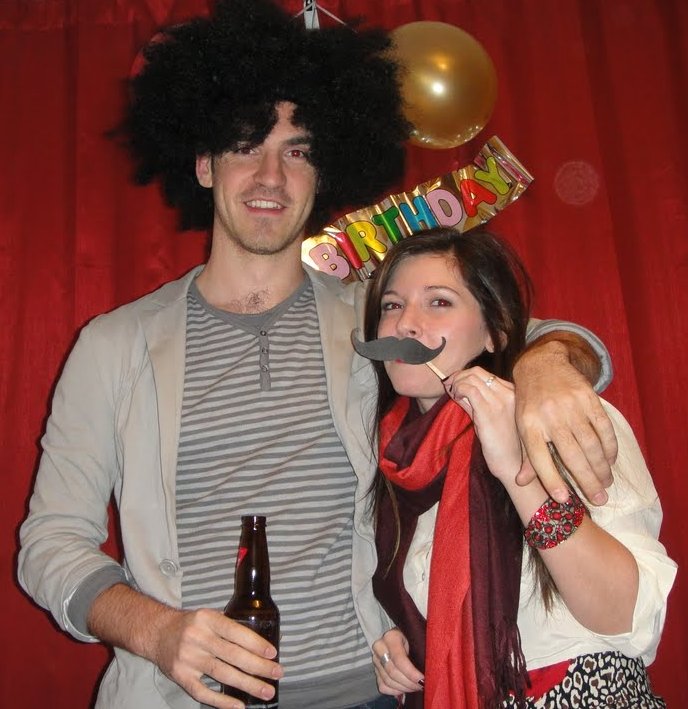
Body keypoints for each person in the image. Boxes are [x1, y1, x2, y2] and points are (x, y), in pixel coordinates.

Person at [17, 1, 617, 708]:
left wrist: (547, 366)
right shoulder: (114, 346)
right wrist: (156, 630)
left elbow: (524, 332)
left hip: (366, 692)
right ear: (205, 165)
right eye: (245, 147)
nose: (271, 176)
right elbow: (50, 543)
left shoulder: (377, 319)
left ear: (322, 170)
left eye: (297, 151)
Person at [356, 226, 677, 708]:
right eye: (392, 305)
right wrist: (403, 643)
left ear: (495, 332)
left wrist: (516, 473)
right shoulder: (395, 460)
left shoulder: (562, 419)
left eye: (439, 302)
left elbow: (627, 616)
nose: (405, 325)